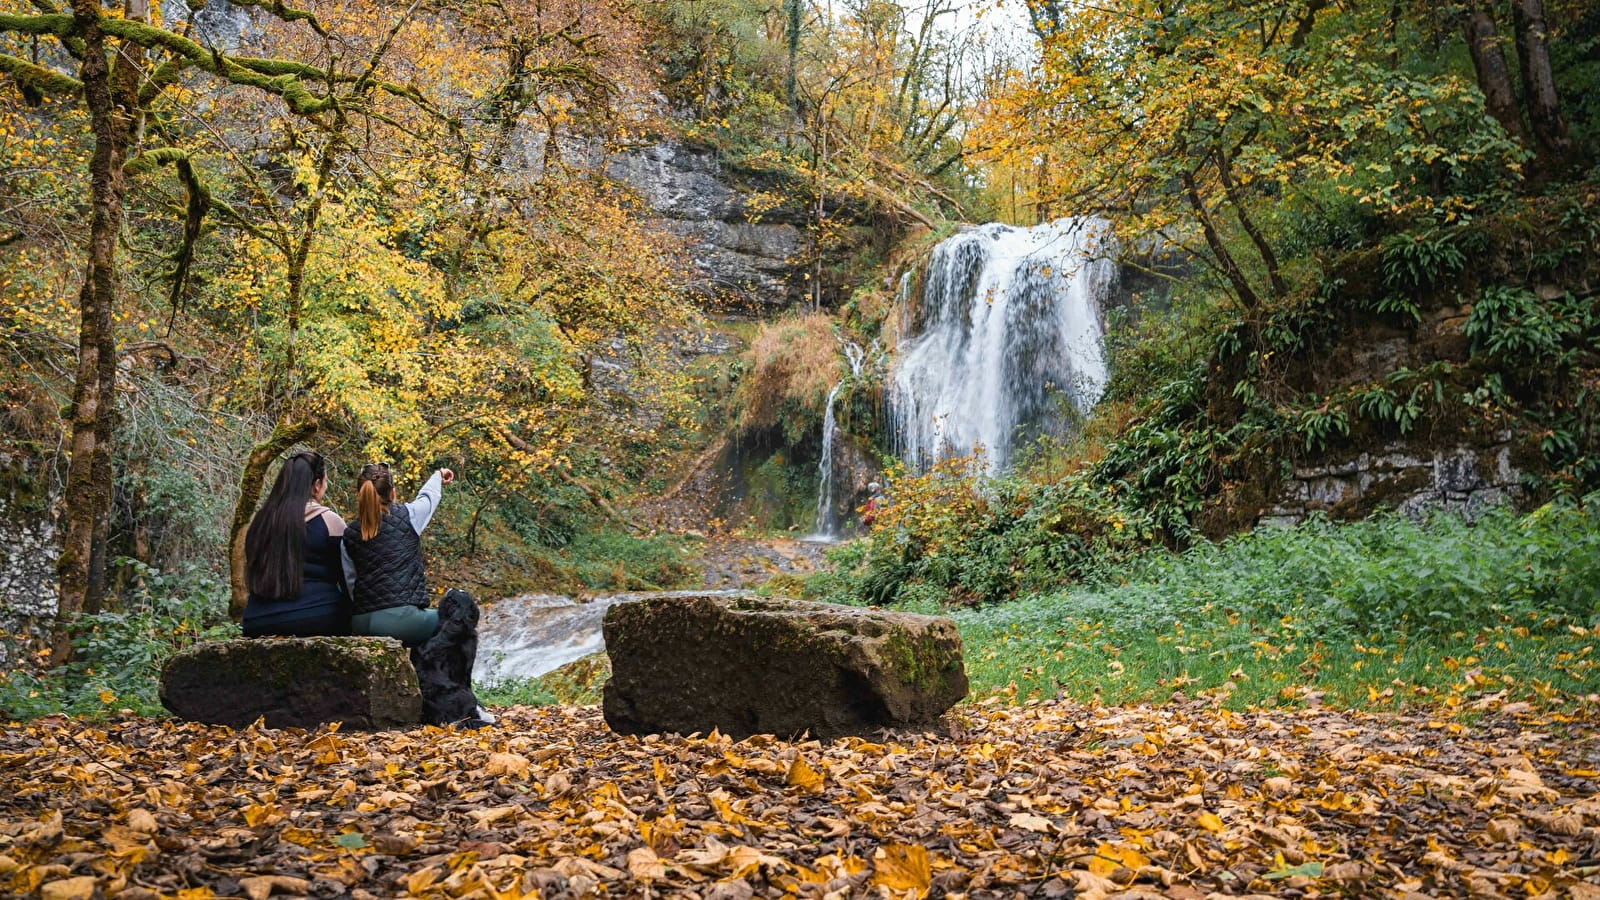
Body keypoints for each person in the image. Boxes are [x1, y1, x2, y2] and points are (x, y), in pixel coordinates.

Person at [343, 463, 492, 726]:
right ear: (394, 493)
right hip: (401, 620)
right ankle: (458, 699)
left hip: (360, 622)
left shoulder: (348, 534)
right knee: (459, 625)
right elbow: (429, 498)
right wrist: (437, 475)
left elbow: (350, 582)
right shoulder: (408, 516)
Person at [241, 450, 353, 638]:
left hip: (257, 620)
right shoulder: (329, 521)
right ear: (316, 485)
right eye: (325, 482)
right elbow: (347, 577)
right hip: (316, 616)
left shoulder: (259, 522)